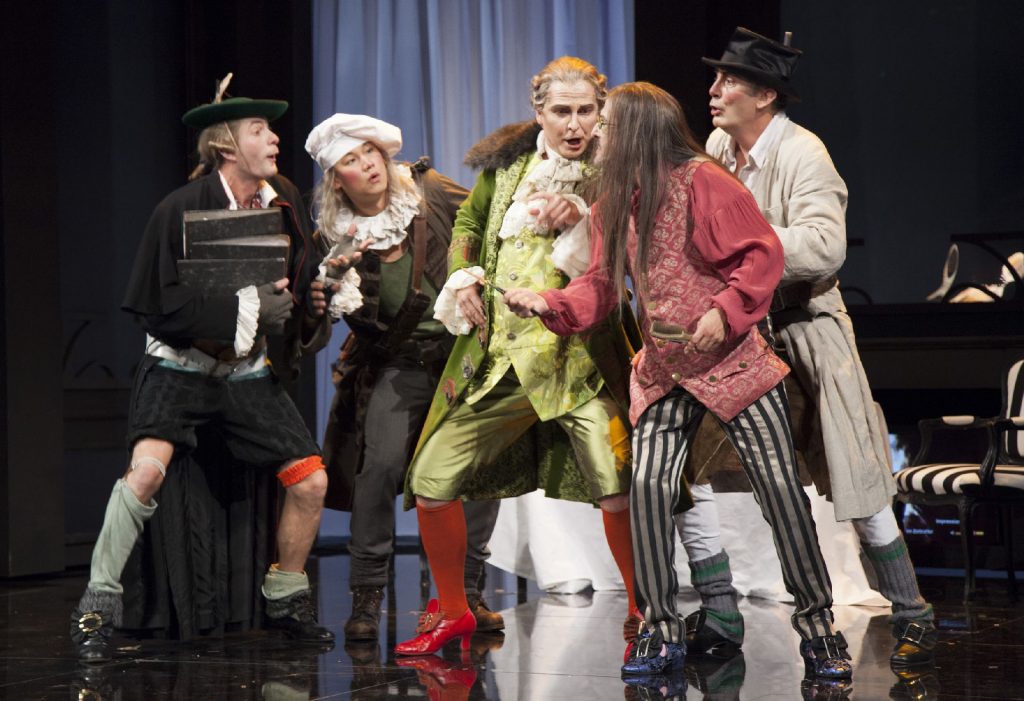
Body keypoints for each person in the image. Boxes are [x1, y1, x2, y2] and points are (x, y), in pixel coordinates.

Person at [504, 81, 852, 682]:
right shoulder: (616, 199)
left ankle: (820, 632)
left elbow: (761, 255)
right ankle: (661, 629)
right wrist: (550, 302)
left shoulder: (704, 180)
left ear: (636, 128)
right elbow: (601, 286)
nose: (595, 132)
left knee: (780, 494)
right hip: (664, 367)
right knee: (649, 489)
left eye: (606, 123)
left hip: (734, 364)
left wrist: (727, 308)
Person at [677, 26, 935, 669]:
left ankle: (912, 611)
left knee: (855, 473)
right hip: (740, 330)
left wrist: (748, 247)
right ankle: (718, 608)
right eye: (714, 78)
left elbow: (824, 246)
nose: (713, 90)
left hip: (805, 327)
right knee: (690, 464)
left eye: (728, 80)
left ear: (764, 94)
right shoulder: (717, 147)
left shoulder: (803, 154)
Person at [70, 79, 335, 663]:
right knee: (145, 474)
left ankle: (286, 598)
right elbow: (154, 305)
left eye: (271, 129)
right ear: (225, 147)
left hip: (245, 373)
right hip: (180, 367)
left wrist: (314, 299)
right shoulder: (180, 208)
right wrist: (243, 307)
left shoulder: (283, 198)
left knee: (311, 479)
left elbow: (297, 276)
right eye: (258, 131)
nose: (273, 138)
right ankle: (97, 604)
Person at [394, 56, 640, 657]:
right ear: (539, 115)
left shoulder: (617, 170)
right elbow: (468, 225)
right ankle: (454, 612)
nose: (575, 124)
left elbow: (633, 240)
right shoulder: (508, 168)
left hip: (581, 365)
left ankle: (642, 611)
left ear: (601, 113)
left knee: (620, 486)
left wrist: (585, 213)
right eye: (562, 112)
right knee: (430, 479)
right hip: (502, 361)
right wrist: (464, 278)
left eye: (586, 111)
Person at [304, 113, 503, 641]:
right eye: (350, 160)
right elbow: (323, 315)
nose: (366, 165)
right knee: (380, 469)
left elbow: (485, 221)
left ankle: (468, 591)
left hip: (460, 357)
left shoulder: (429, 191)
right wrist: (332, 287)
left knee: (479, 473)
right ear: (336, 178)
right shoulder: (338, 238)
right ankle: (367, 597)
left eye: (368, 152)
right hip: (399, 365)